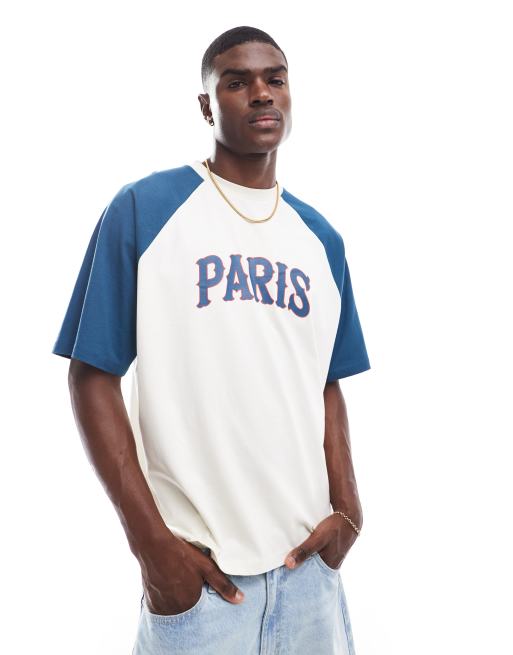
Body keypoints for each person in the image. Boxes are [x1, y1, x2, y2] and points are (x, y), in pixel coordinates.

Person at [52, 25, 371, 655]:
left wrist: (349, 508)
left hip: (309, 572)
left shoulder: (321, 239)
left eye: (275, 79)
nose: (261, 93)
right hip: (201, 580)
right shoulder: (146, 208)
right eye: (236, 82)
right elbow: (91, 375)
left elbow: (327, 382)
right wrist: (151, 547)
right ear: (206, 105)